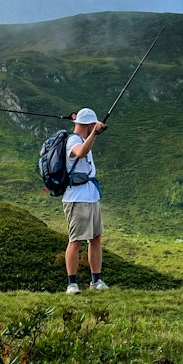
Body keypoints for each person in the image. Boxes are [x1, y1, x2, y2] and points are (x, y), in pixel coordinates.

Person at [64, 107, 108, 293]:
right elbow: (80, 152)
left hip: (91, 196)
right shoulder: (73, 140)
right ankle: (72, 284)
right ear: (89, 125)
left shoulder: (83, 137)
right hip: (77, 197)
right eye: (92, 126)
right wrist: (95, 134)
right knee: (76, 240)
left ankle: (96, 281)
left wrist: (92, 133)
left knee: (95, 238)